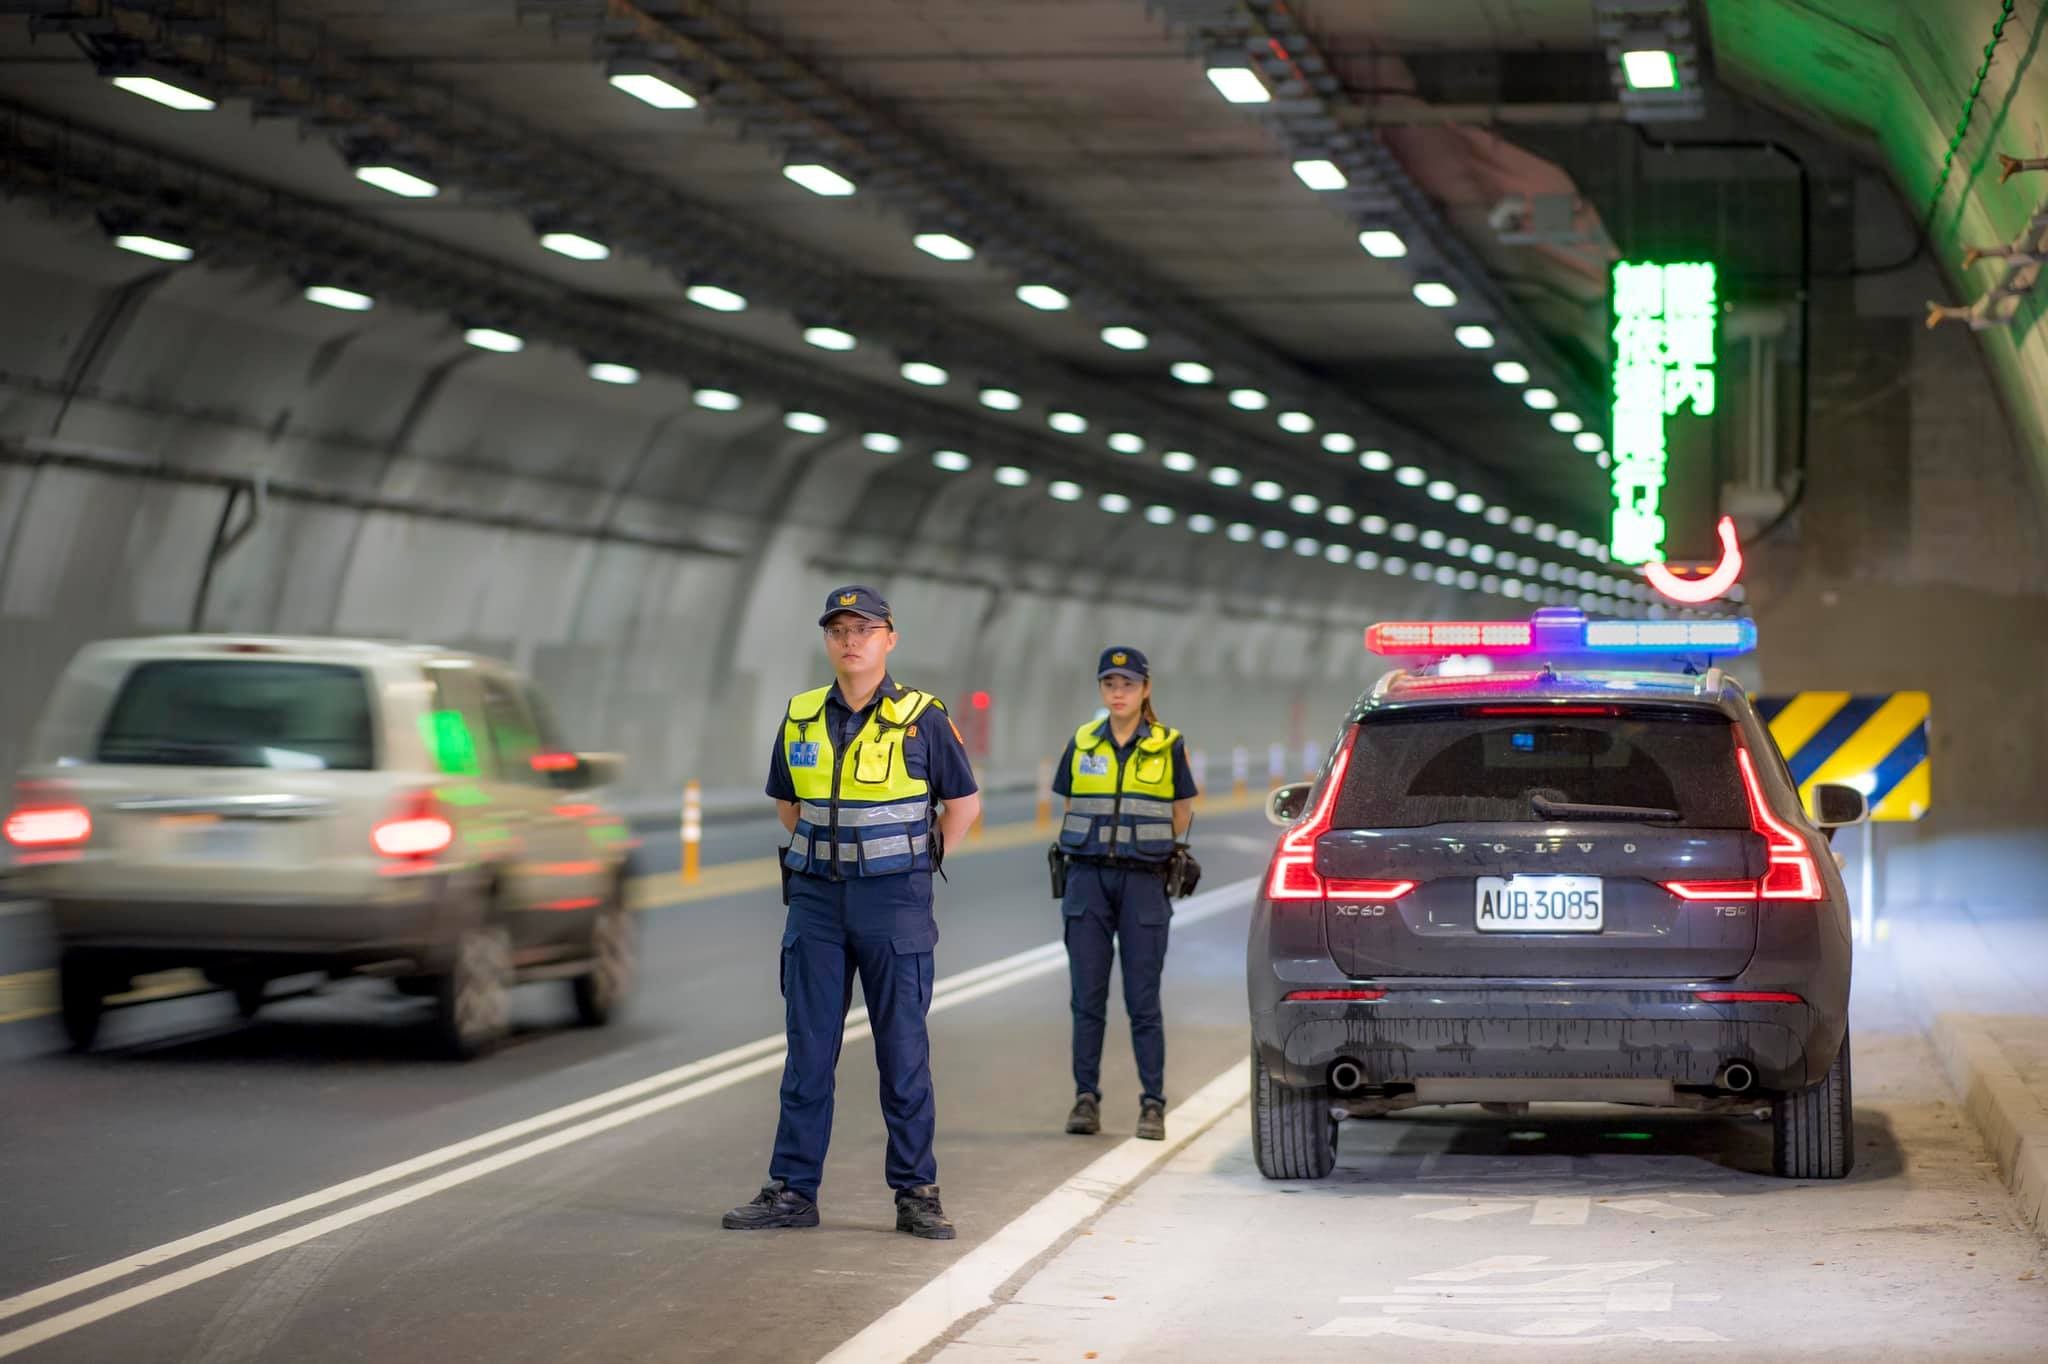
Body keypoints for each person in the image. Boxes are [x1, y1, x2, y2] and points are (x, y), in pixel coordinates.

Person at [723, 585, 982, 1239]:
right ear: (827, 641)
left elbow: (964, 805)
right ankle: (793, 1191)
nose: (850, 640)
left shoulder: (924, 717)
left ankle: (916, 1192)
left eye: (864, 629)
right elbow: (788, 804)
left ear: (889, 639)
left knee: (902, 1055)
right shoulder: (803, 714)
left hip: (893, 902)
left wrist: (912, 862)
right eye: (839, 630)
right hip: (816, 902)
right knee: (808, 1053)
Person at [1048, 646, 1197, 1142]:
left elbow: (1182, 810)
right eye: (1110, 684)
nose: (1118, 692)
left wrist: (1153, 849)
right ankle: (1084, 1099)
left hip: (1144, 881)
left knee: (1143, 1000)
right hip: (1087, 878)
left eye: (1128, 684)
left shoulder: (1169, 744)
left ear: (1145, 689)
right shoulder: (1083, 741)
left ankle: (1152, 1104)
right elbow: (1071, 803)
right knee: (1086, 999)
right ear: (1102, 689)